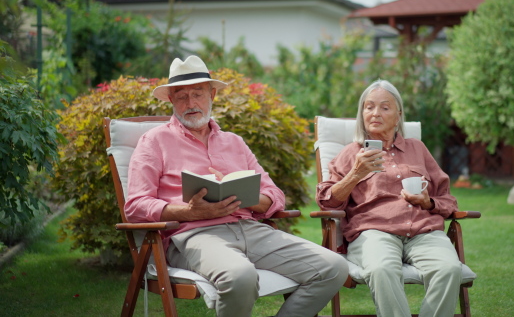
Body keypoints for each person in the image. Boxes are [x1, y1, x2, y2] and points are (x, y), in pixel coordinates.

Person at [125, 55, 348, 317]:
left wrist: (245, 197)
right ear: (171, 101)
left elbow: (274, 196)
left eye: (198, 93)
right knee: (240, 276)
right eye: (182, 96)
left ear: (213, 95)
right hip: (194, 235)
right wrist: (187, 212)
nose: (191, 103)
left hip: (249, 228)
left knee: (333, 267)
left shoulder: (234, 142)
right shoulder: (153, 141)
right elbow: (136, 205)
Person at [316, 79, 463, 317]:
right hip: (374, 233)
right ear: (361, 113)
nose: (375, 113)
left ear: (398, 115)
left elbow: (447, 198)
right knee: (381, 268)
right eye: (369, 106)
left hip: (424, 232)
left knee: (449, 269)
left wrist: (429, 202)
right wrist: (355, 173)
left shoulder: (418, 148)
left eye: (385, 107)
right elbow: (326, 201)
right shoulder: (351, 153)